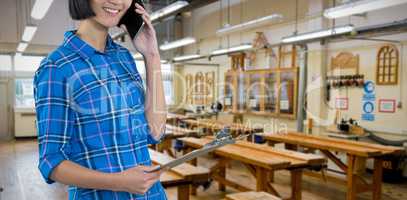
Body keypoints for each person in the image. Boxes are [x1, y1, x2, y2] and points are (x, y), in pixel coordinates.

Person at [33, 0, 167, 199]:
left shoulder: (123, 57)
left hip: (152, 195)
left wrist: (152, 55)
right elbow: (51, 161)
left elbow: (155, 132)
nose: (118, 1)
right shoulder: (57, 67)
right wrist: (119, 182)